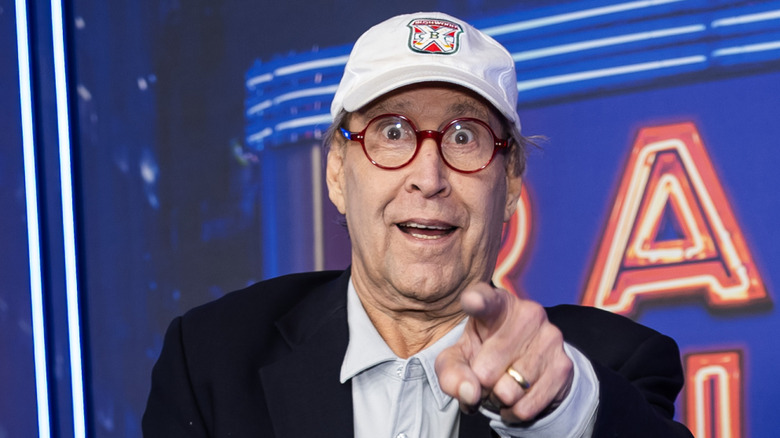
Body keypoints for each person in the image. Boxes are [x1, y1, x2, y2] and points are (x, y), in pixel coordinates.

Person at [143, 11, 694, 438]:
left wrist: (559, 409)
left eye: (463, 137)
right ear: (337, 171)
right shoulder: (212, 359)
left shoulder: (613, 367)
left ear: (511, 185)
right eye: (392, 132)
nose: (428, 177)